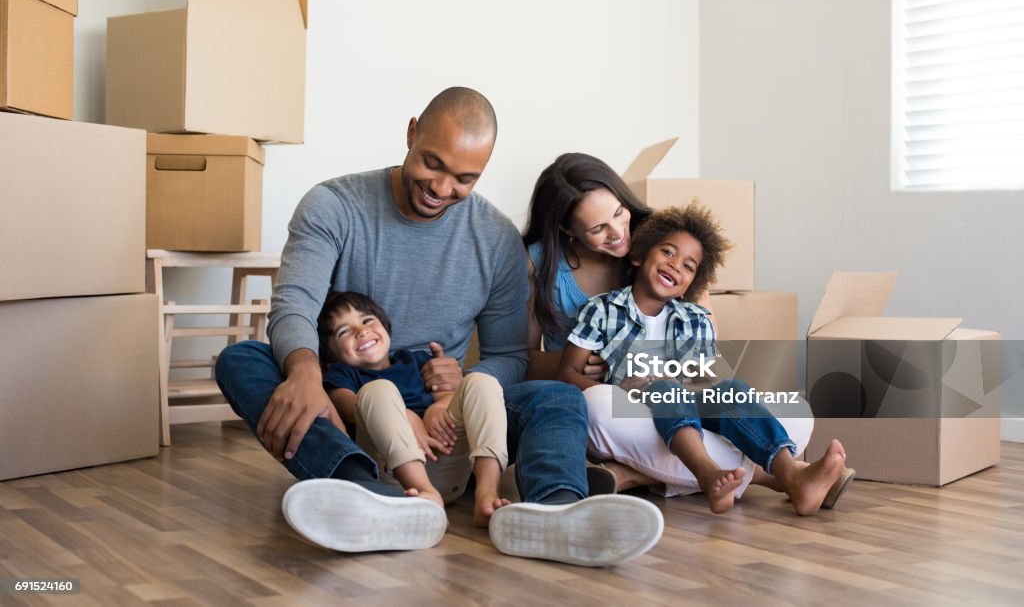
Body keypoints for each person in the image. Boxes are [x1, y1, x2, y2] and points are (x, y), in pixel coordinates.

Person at [215, 87, 663, 566]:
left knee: (557, 396)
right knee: (242, 360)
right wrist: (305, 373)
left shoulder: (495, 239)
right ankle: (360, 488)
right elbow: (295, 304)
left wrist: (460, 387)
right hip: (348, 402)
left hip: (449, 422)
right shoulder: (333, 205)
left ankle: (554, 510)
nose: (443, 188)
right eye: (433, 164)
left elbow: (510, 354)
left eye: (464, 178)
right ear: (411, 133)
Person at [522, 153, 828, 504]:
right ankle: (767, 476)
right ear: (567, 229)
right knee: (600, 403)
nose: (619, 232)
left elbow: (710, 369)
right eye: (597, 228)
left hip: (684, 398)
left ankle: (634, 475)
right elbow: (534, 364)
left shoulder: (666, 240)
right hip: (615, 402)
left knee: (797, 413)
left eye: (619, 213)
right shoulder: (566, 283)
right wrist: (611, 363)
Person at [559, 203, 854, 515]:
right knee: (643, 393)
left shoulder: (695, 318)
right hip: (633, 408)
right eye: (668, 252)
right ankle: (712, 472)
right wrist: (619, 390)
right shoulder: (602, 310)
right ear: (639, 255)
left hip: (688, 406)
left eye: (689, 266)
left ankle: (789, 473)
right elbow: (567, 372)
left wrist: (710, 386)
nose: (675, 266)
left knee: (740, 391)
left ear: (693, 284)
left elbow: (707, 380)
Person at [317, 290, 509, 527]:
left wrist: (438, 407)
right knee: (378, 390)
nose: (361, 331)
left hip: (448, 459)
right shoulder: (341, 375)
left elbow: (449, 395)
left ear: (386, 328)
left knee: (482, 382)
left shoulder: (415, 360)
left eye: (367, 320)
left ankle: (487, 494)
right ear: (330, 354)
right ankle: (425, 493)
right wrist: (405, 415)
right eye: (344, 331)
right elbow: (348, 408)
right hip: (396, 474)